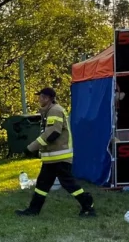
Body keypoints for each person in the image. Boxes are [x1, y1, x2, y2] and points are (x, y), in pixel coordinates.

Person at [16, 88, 96, 217]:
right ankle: (33, 210)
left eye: (41, 97)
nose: (39, 99)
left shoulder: (54, 111)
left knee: (68, 184)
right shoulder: (49, 111)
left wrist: (31, 148)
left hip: (60, 157)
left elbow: (52, 133)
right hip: (52, 158)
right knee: (42, 185)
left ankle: (88, 205)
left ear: (48, 98)